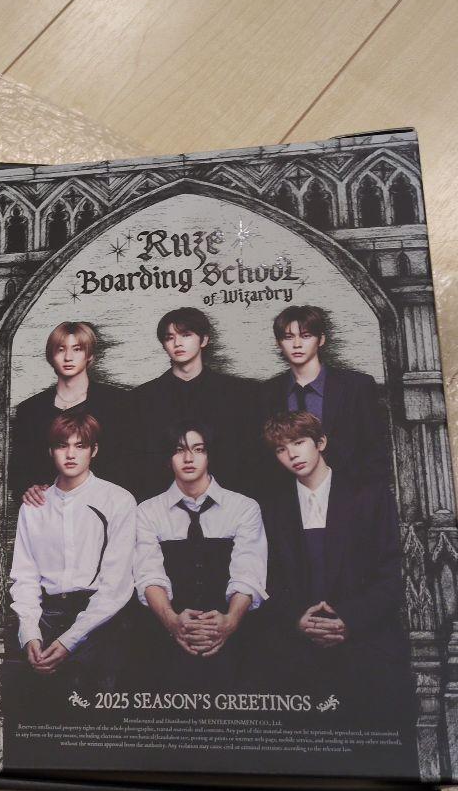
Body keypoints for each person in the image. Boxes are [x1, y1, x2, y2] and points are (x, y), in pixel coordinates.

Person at [260, 410, 414, 744]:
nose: (292, 454)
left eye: (299, 442)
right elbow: (267, 579)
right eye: (281, 449)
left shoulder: (369, 495)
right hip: (300, 649)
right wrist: (297, 619)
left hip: (366, 644)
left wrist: (349, 620)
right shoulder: (272, 508)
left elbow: (392, 573)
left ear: (321, 443)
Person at [7, 410, 136, 709]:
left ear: (94, 450)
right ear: (50, 451)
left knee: (93, 718)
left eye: (80, 446)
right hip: (47, 618)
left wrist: (69, 641)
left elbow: (116, 586)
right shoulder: (34, 506)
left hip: (100, 622)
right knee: (39, 712)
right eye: (62, 445)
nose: (70, 454)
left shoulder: (118, 500)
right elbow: (25, 577)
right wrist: (30, 635)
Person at [133, 421, 267, 687]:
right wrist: (172, 622)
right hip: (167, 636)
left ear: (209, 454)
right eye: (179, 450)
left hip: (235, 639)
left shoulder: (244, 507)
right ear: (168, 458)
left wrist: (230, 621)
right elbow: (148, 575)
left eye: (198, 449)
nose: (188, 458)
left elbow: (248, 571)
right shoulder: (147, 511)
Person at [129, 307, 257, 500]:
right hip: (162, 503)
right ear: (164, 345)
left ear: (204, 340)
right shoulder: (141, 399)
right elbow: (138, 462)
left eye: (186, 335)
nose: (177, 343)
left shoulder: (237, 394)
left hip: (228, 501)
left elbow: (245, 457)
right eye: (170, 337)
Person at [259, 304, 390, 488]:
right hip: (292, 496)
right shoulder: (267, 392)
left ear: (321, 340)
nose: (297, 344)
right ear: (278, 343)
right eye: (288, 337)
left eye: (306, 336)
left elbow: (374, 451)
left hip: (352, 492)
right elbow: (265, 459)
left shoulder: (357, 386)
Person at [7, 320, 126, 505]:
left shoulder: (117, 402)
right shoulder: (30, 409)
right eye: (60, 349)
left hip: (104, 505)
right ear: (51, 356)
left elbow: (129, 463)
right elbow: (19, 470)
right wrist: (28, 489)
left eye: (77, 349)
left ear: (89, 355)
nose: (68, 357)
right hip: (49, 507)